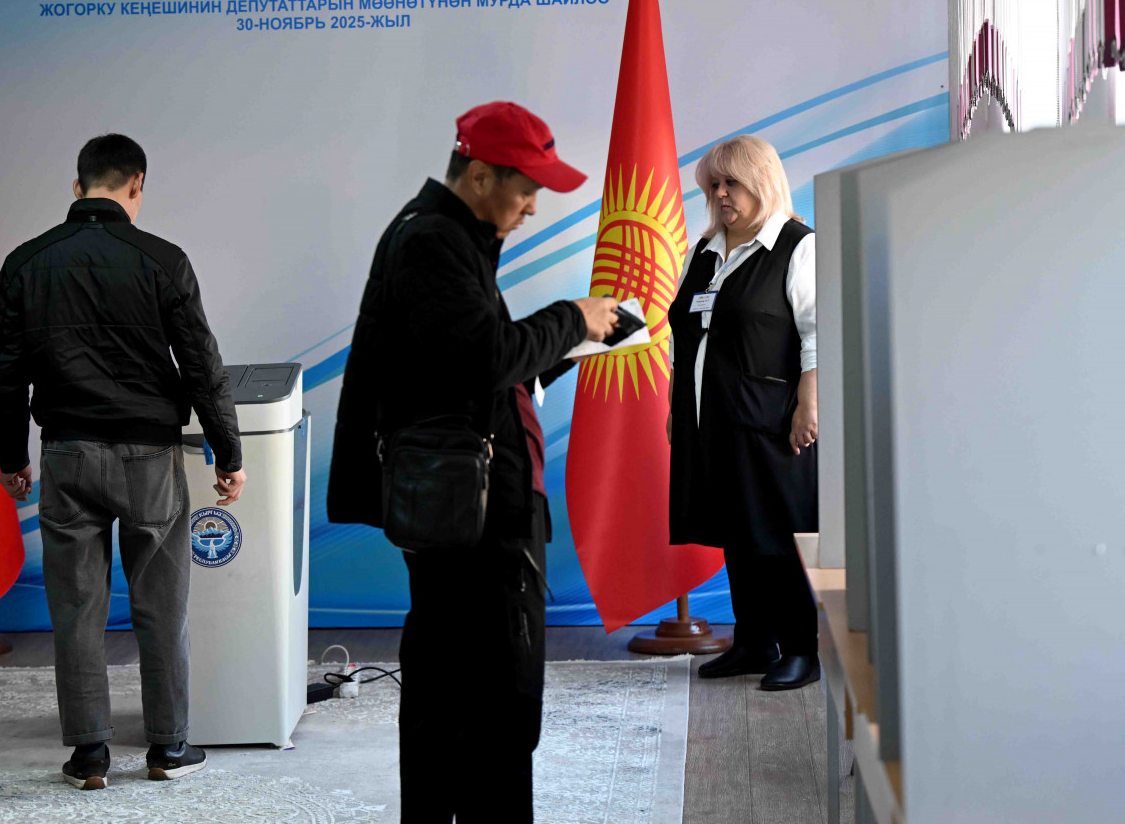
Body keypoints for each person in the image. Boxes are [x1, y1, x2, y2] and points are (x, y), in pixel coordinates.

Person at [329, 101, 621, 823]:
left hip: (463, 505)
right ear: (482, 176)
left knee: (454, 684)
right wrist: (571, 319)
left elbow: (458, 369)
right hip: (474, 517)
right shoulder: (434, 241)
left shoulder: (445, 235)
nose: (533, 206)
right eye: (528, 188)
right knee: (493, 694)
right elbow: (484, 360)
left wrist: (558, 353)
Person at [0, 134, 244, 790]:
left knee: (77, 608)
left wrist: (11, 455)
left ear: (78, 188)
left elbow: (4, 373)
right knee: (162, 604)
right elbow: (203, 364)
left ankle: (89, 755)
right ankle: (167, 745)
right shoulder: (163, 259)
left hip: (67, 452)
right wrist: (228, 451)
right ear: (137, 186)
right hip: (149, 456)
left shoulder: (25, 263)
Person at [666, 134, 821, 691]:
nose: (720, 194)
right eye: (714, 185)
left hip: (772, 420)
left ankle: (801, 649)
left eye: (731, 182)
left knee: (778, 534)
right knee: (737, 529)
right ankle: (755, 642)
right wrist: (676, 404)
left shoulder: (797, 246)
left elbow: (818, 334)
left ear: (761, 181)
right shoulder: (705, 251)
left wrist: (809, 404)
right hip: (709, 419)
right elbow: (684, 335)